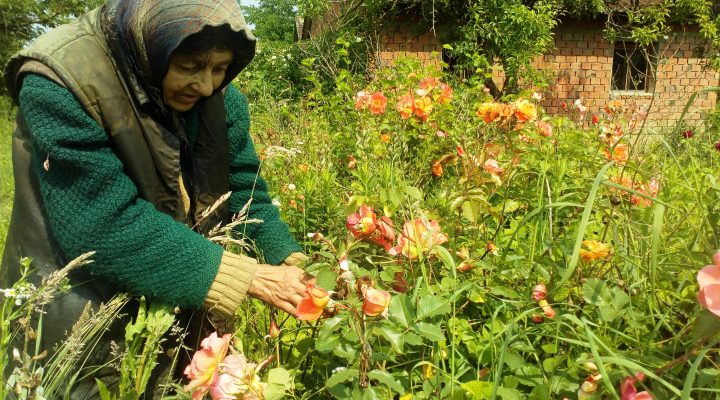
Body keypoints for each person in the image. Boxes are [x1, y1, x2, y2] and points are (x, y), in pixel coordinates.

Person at [1, 0, 311, 395]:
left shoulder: (219, 95)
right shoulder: (61, 82)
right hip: (79, 308)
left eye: (220, 68)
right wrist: (252, 277)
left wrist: (290, 258)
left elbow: (243, 187)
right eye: (190, 66)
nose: (207, 86)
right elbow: (101, 223)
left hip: (178, 290)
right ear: (152, 45)